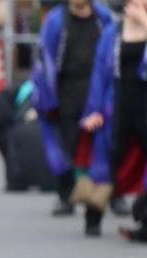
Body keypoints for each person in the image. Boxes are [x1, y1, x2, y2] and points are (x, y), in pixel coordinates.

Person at [32, 0, 113, 220]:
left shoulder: (102, 18)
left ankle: (112, 195)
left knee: (104, 145)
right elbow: (45, 57)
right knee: (66, 146)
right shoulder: (56, 19)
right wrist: (46, 96)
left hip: (97, 89)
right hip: (66, 90)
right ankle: (66, 195)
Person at [76, 0, 147, 239]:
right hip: (116, 106)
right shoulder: (112, 33)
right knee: (105, 160)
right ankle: (93, 215)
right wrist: (93, 110)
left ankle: (144, 221)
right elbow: (99, 73)